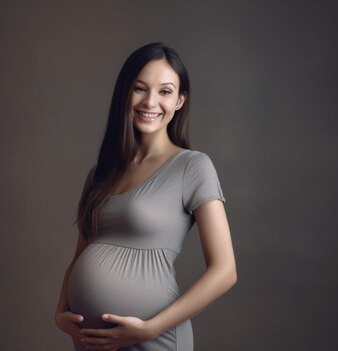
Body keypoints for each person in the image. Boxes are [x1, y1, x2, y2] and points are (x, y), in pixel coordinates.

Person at [54, 42, 237, 351]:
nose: (150, 101)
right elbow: (80, 255)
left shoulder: (193, 166)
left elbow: (225, 271)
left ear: (180, 100)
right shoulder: (100, 173)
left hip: (153, 339)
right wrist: (60, 312)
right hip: (92, 342)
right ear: (125, 93)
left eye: (165, 91)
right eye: (140, 89)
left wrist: (149, 329)